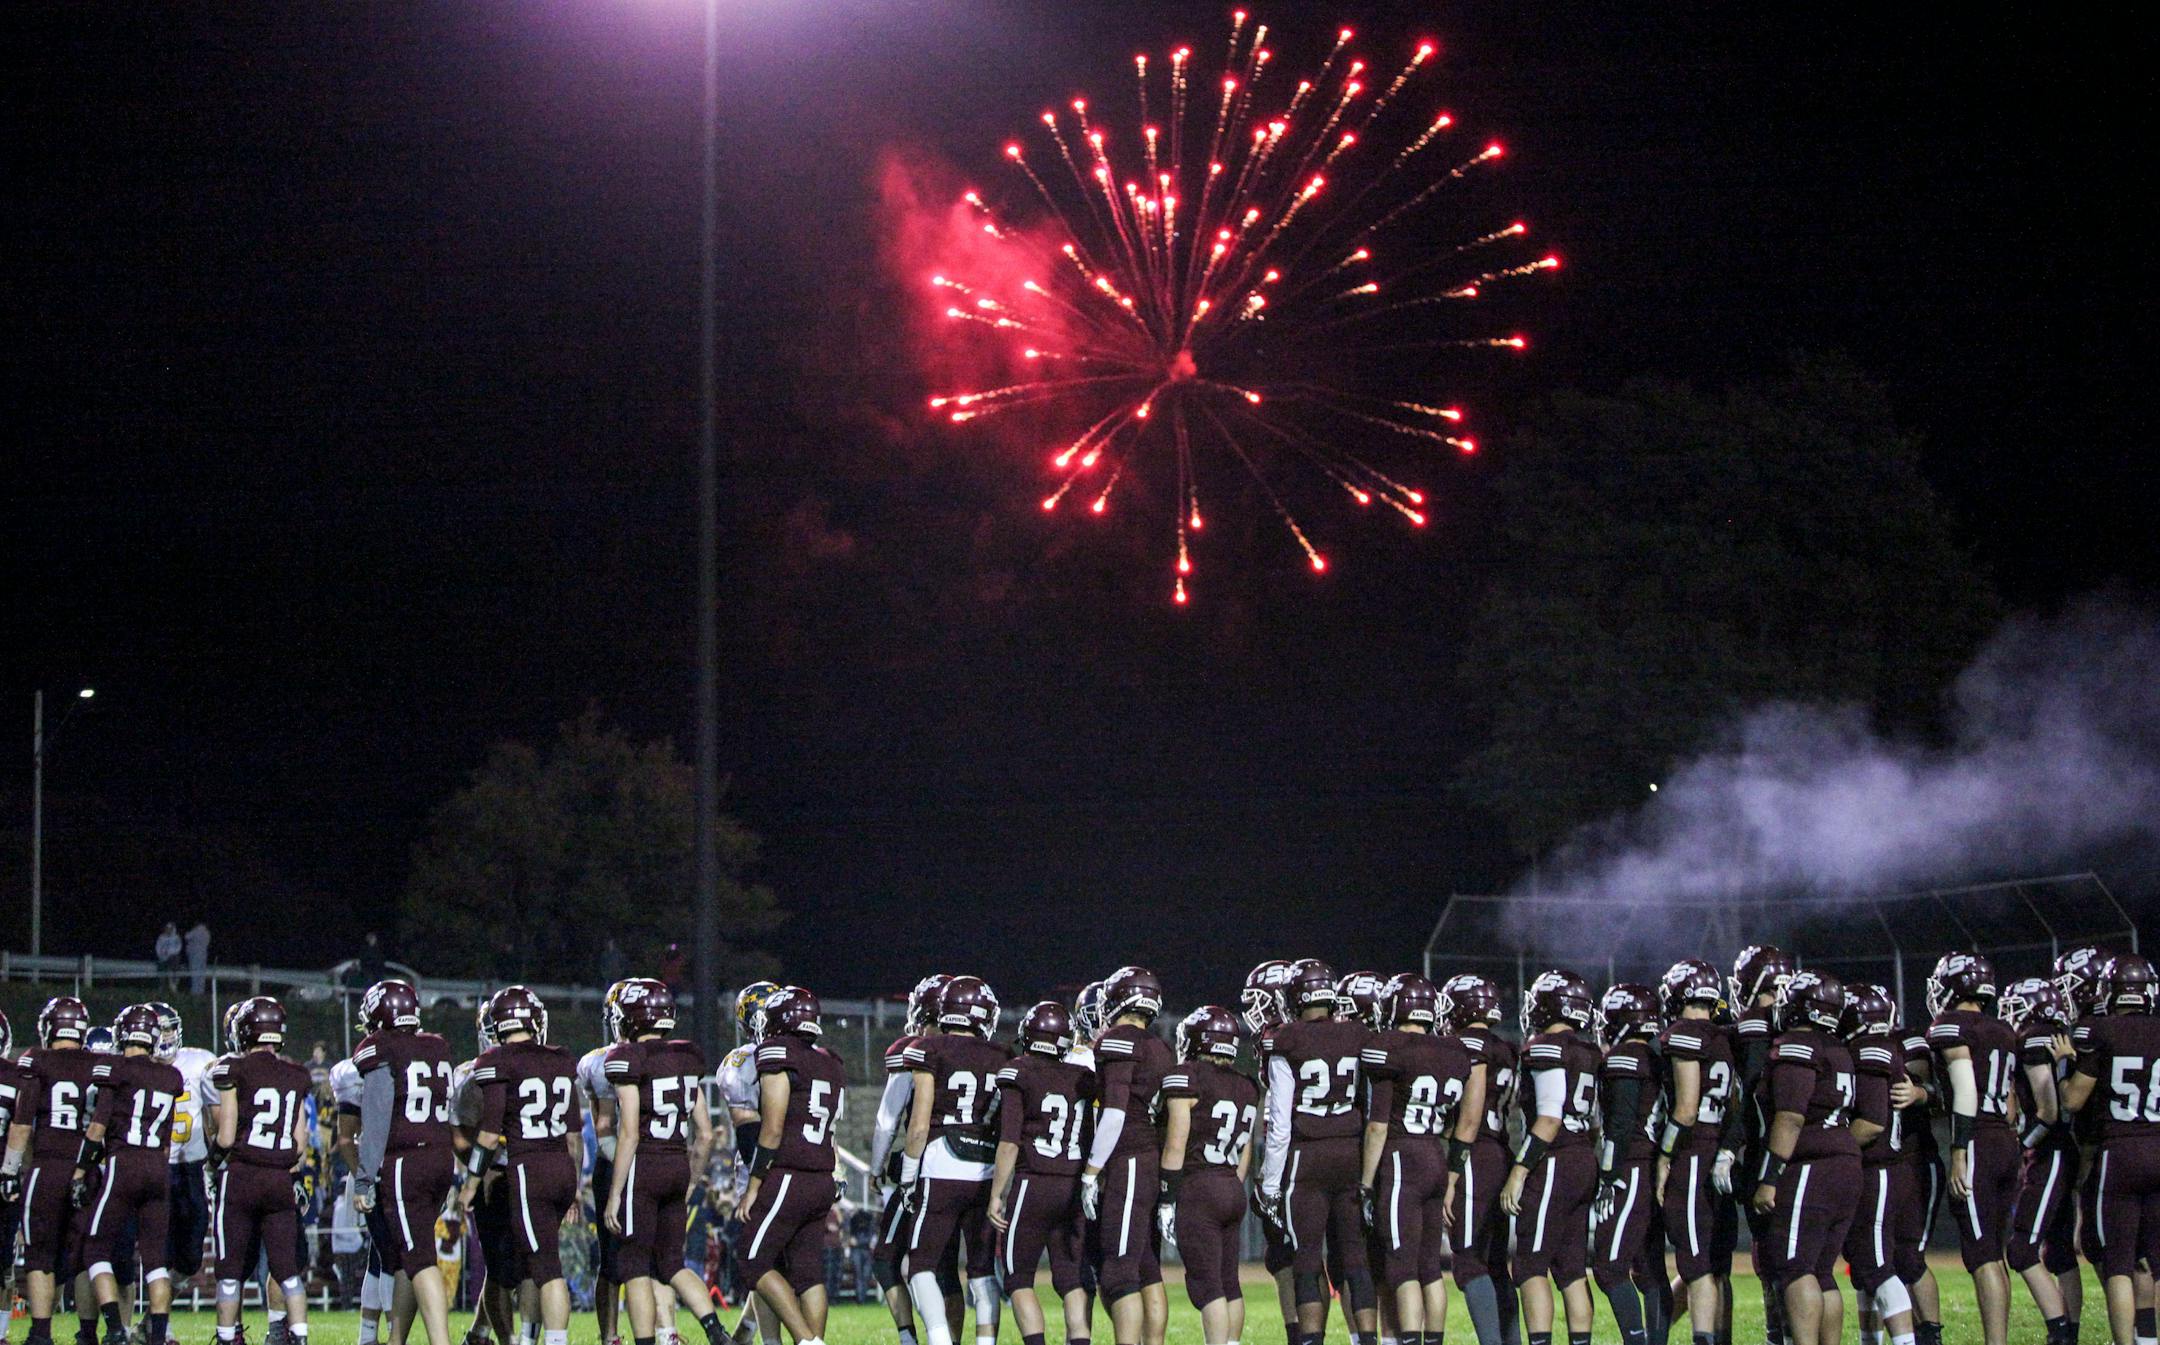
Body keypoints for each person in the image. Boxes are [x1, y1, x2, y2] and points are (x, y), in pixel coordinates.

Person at [1926, 951, 2069, 1344]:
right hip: (2005, 1143)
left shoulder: (1949, 1025)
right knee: (1996, 1253)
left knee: (1982, 1256)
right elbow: (2009, 1104)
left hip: (1977, 1141)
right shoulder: (2005, 1030)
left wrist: (1959, 1152)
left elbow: (1967, 1090)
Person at [602, 978, 726, 1345]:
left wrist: (615, 1193)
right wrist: (689, 1181)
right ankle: (716, 1333)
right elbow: (704, 1133)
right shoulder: (686, 1058)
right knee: (672, 1263)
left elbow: (629, 1133)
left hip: (646, 1164)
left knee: (635, 1265)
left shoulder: (627, 1059)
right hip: (677, 1162)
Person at [1260, 959, 1375, 1345]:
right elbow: (1371, 1103)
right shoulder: (1358, 1034)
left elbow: (1279, 1121)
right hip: (1351, 1153)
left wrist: (1272, 1183)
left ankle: (1310, 1341)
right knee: (1356, 1258)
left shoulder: (1286, 1038)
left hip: (1306, 1157)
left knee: (1306, 1258)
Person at [1358, 976, 1477, 1345]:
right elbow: (1456, 1120)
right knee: (1430, 1268)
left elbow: (1377, 1126)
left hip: (1401, 1160)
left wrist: (1364, 1183)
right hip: (1434, 1157)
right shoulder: (1454, 1051)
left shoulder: (1389, 1047)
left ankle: (1409, 1340)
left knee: (1401, 1266)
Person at [463, 987, 583, 1345]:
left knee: (546, 1268)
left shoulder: (497, 1061)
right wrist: (574, 1187)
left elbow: (488, 1134)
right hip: (562, 1166)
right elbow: (574, 1137)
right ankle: (530, 1339)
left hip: (529, 1170)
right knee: (539, 1263)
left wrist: (471, 1181)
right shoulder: (561, 1059)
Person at [1751, 970, 1861, 1345]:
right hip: (1846, 1161)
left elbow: (1791, 1115)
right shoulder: (1838, 1048)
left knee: (1795, 1267)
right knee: (1822, 1270)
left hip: (1812, 1165)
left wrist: (1770, 1176)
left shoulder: (1797, 1045)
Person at [901, 976, 1012, 1345]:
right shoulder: (1003, 1057)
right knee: (981, 1271)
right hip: (985, 1168)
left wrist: (907, 1174)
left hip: (941, 1163)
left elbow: (918, 1125)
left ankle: (939, 1340)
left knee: (920, 1267)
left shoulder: (928, 1049)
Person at [735, 988, 847, 1345]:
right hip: (822, 1176)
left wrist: (753, 1185)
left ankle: (807, 1341)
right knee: (807, 1274)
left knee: (753, 1260)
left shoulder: (776, 1052)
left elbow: (771, 1128)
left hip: (790, 1173)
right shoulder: (830, 1060)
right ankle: (812, 1338)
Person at [352, 979, 458, 1345]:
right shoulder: (437, 1046)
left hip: (406, 1160)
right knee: (405, 1256)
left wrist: (364, 1179)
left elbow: (377, 1120)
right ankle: (396, 1339)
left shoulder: (380, 1048)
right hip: (441, 1157)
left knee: (418, 1258)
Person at [2061, 953, 2160, 1345]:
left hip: (2118, 1152)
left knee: (2118, 1263)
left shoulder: (2101, 1031)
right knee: (2156, 1260)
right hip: (2159, 1145)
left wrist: (2069, 1063)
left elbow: (2072, 1100)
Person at [1499, 970, 1600, 1345]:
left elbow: (1550, 1116)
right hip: (1583, 1155)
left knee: (1529, 1265)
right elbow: (1592, 1121)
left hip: (1555, 1158)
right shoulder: (1588, 1050)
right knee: (1572, 1268)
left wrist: (1520, 1170)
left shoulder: (1546, 1046)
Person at [207, 997, 315, 1345]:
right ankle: (298, 1336)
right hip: (279, 1177)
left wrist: (210, 1167)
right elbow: (299, 1142)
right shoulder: (297, 1074)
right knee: (288, 1271)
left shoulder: (231, 1069)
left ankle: (228, 1338)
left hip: (241, 1175)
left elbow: (225, 1135)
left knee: (229, 1273)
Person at [77, 1005, 185, 1345]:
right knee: (155, 1260)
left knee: (95, 1249)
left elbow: (98, 1126)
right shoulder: (170, 1077)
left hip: (124, 1163)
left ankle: (113, 1329)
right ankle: (155, 1336)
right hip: (157, 1166)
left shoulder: (115, 1068)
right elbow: (167, 1139)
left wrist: (80, 1169)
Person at [987, 1001, 1093, 1345]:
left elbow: (1009, 1141)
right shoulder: (1083, 1077)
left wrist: (996, 1194)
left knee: (1019, 1278)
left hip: (1034, 1182)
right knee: (1071, 1278)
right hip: (1074, 1184)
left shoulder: (1019, 1071)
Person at [0, 997, 101, 1345]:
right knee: (88, 1255)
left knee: (39, 1254)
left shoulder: (35, 1061)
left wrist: (10, 1170)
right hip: (88, 1169)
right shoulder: (101, 1064)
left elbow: (23, 1122)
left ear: (49, 1028)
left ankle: (41, 1333)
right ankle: (88, 1333)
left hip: (47, 1166)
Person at [1082, 966, 1174, 1345]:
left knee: (1119, 1272)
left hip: (1129, 1159)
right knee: (1146, 1267)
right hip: (1148, 1158)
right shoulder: (1161, 1047)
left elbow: (1115, 1112)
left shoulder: (1120, 1040)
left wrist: (1091, 1170)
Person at [1654, 959, 1738, 1345]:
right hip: (1719, 1153)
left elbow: (1686, 1109)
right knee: (1711, 1265)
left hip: (1693, 1154)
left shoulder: (1684, 1033)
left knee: (1697, 1264)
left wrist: (1665, 1156)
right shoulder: (1724, 1037)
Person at [1438, 973, 1518, 1345]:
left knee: (1468, 1260)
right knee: (1495, 1263)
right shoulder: (1506, 1046)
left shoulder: (1469, 1043)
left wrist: (1452, 1175)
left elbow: (1469, 1117)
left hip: (1475, 1154)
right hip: (1500, 1150)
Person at [1591, 984, 1669, 1345]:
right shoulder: (1656, 1056)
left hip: (1632, 1166)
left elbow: (1620, 1126)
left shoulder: (1624, 1058)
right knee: (1650, 1269)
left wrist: (1608, 1174)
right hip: (1650, 1164)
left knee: (1610, 1266)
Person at [1728, 943, 1794, 1345]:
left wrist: (1729, 1145)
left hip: (1767, 1148)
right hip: (1811, 1149)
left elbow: (1753, 1093)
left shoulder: (1754, 1024)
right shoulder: (1803, 1022)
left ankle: (1781, 1335)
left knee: (1778, 1257)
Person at [185, 923, 212, 997]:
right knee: (201, 973)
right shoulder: (207, 933)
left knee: (195, 973)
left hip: (195, 955)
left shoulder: (196, 930)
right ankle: (201, 990)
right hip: (203, 954)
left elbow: (187, 936)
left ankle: (195, 991)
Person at [154, 926, 183, 993]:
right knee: (161, 972)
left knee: (174, 970)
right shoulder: (161, 937)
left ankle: (173, 987)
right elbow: (158, 947)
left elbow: (178, 947)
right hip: (162, 958)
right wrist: (161, 955)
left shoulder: (176, 937)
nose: (168, 930)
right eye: (167, 928)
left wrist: (169, 953)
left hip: (173, 958)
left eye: (170, 929)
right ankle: (161, 987)